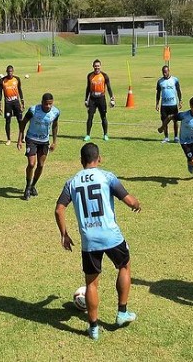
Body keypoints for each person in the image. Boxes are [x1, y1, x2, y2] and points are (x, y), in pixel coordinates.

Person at [55, 142, 141, 340]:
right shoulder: (107, 176)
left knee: (92, 284)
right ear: (99, 158)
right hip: (111, 235)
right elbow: (128, 200)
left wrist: (64, 234)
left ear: (81, 161)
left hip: (89, 239)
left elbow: (59, 208)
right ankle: (122, 312)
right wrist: (136, 204)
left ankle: (93, 328)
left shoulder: (72, 182)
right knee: (125, 266)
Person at [158, 95, 193, 180]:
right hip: (185, 141)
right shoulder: (184, 115)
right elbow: (170, 117)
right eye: (192, 107)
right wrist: (162, 127)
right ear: (190, 106)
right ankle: (190, 162)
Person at [17, 92, 59, 200]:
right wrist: (20, 139)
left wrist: (54, 141)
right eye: (46, 104)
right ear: (42, 102)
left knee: (40, 165)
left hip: (44, 141)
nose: (48, 106)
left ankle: (33, 185)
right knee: (31, 164)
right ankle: (27, 187)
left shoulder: (55, 112)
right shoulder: (33, 110)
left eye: (50, 104)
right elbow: (23, 122)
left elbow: (55, 125)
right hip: (31, 139)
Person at [83, 59, 115, 142]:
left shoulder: (104, 76)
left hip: (101, 98)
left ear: (100, 66)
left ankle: (105, 135)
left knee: (103, 117)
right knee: (90, 117)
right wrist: (86, 99)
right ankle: (88, 135)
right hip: (92, 99)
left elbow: (109, 87)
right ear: (93, 66)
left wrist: (112, 97)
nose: (97, 67)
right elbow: (88, 88)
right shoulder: (90, 75)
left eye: (98, 66)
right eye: (95, 66)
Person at [0, 65, 24, 146]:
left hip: (16, 103)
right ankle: (8, 139)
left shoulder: (17, 79)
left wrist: (22, 102)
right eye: (8, 72)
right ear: (6, 72)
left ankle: (22, 137)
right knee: (8, 121)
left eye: (11, 71)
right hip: (8, 104)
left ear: (13, 71)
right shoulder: (2, 80)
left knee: (20, 120)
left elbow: (20, 90)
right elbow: (0, 93)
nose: (10, 73)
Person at [156, 65, 182, 143]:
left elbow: (178, 91)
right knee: (164, 122)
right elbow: (158, 93)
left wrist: (180, 100)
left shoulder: (175, 80)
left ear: (169, 71)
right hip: (164, 105)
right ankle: (166, 137)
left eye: (166, 72)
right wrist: (157, 104)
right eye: (163, 72)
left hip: (173, 104)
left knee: (175, 121)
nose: (164, 74)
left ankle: (176, 137)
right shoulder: (160, 81)